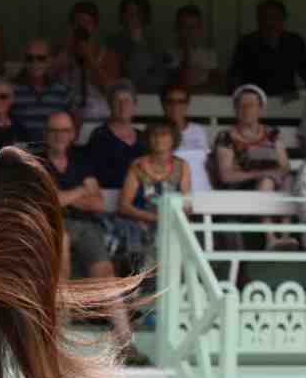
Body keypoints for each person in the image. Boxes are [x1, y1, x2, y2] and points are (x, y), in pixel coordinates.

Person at [38, 111, 131, 348]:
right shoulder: (36, 161)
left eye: (65, 131)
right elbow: (49, 202)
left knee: (106, 274)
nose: (60, 136)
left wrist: (65, 197)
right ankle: (59, 338)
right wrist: (80, 191)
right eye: (54, 131)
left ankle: (126, 341)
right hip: (51, 225)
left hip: (86, 226)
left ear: (72, 134)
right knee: (62, 256)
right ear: (46, 134)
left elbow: (98, 203)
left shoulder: (81, 160)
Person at [210, 84, 298, 250]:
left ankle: (286, 236)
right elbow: (226, 175)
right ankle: (271, 237)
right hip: (241, 188)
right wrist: (263, 174)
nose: (246, 109)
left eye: (251, 105)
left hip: (274, 185)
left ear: (260, 109)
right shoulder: (226, 137)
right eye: (241, 105)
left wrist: (276, 174)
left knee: (288, 179)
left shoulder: (272, 134)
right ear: (235, 109)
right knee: (266, 181)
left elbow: (285, 165)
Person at [117, 120, 190, 268]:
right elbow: (124, 206)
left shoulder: (182, 166)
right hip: (141, 225)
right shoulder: (137, 166)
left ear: (173, 139)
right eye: (154, 135)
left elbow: (186, 204)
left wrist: (169, 221)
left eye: (164, 135)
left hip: (172, 225)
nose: (159, 139)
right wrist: (155, 218)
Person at [227, 0, 306, 99]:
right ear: (258, 20)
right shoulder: (247, 42)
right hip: (255, 99)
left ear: (283, 19)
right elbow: (235, 76)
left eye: (275, 17)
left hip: (287, 99)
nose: (269, 22)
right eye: (265, 17)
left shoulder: (294, 41)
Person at [54, 1, 120, 126]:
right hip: (65, 121)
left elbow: (111, 90)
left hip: (99, 120)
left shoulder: (108, 55)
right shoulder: (61, 53)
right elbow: (47, 77)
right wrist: (67, 50)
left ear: (95, 26)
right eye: (77, 23)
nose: (82, 27)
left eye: (87, 23)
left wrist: (90, 59)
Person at [83, 79, 145, 190]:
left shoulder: (143, 137)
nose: (123, 106)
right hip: (109, 198)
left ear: (134, 105)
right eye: (117, 101)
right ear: (110, 105)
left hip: (141, 199)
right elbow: (95, 175)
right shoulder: (100, 136)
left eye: (127, 101)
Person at [11, 37, 72, 144]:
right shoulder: (11, 90)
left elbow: (71, 124)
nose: (35, 63)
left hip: (53, 150)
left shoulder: (62, 91)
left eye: (41, 58)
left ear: (50, 60)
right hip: (22, 152)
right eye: (30, 58)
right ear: (24, 61)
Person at [109, 0, 167, 93]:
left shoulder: (156, 42)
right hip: (123, 96)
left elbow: (160, 77)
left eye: (137, 13)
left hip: (151, 97)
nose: (133, 17)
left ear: (145, 15)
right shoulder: (113, 42)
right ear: (122, 15)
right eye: (129, 12)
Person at [161, 83, 213, 191]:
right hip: (173, 194)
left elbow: (208, 164)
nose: (176, 106)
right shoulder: (156, 133)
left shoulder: (198, 130)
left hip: (203, 190)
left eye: (181, 102)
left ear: (187, 104)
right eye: (171, 101)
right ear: (163, 104)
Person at [162, 4, 220, 92]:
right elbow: (179, 82)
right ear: (177, 29)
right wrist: (187, 52)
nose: (189, 32)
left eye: (193, 27)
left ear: (200, 29)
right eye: (184, 27)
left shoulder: (209, 55)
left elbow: (215, 84)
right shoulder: (169, 55)